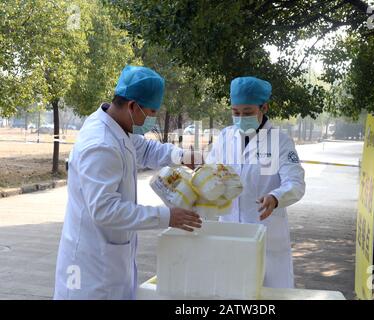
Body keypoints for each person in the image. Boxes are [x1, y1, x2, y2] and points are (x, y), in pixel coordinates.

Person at [54, 65, 202, 300]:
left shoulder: (116, 128)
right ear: (133, 106)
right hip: (91, 272)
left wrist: (183, 157)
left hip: (109, 261)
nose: (151, 122)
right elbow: (104, 210)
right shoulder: (100, 144)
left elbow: (145, 149)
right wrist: (167, 216)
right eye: (151, 114)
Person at [206, 76, 305, 288]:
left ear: (264, 107)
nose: (241, 118)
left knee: (268, 294)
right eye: (235, 112)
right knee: (231, 293)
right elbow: (211, 172)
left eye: (248, 112)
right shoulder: (225, 137)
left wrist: (276, 197)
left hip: (267, 238)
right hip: (230, 233)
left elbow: (296, 183)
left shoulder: (280, 141)